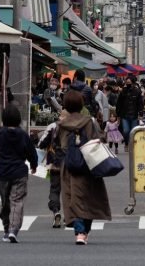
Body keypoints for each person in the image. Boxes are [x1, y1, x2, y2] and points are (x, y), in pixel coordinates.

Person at [54, 90, 112, 245]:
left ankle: (80, 231)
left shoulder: (61, 124)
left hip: (69, 164)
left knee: (74, 198)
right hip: (88, 163)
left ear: (65, 105)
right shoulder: (89, 121)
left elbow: (55, 143)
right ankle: (83, 231)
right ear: (81, 105)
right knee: (89, 198)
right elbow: (99, 138)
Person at [0, 104, 38, 243]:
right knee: (16, 201)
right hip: (19, 173)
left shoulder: (0, 133)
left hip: (2, 173)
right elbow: (31, 152)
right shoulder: (23, 135)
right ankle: (13, 230)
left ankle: (6, 230)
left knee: (5, 203)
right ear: (18, 119)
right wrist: (34, 165)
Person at [116, 76, 143, 147]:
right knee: (126, 131)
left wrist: (140, 113)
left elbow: (140, 103)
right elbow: (119, 103)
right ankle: (127, 142)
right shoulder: (123, 91)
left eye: (129, 83)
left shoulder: (137, 91)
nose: (128, 84)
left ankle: (131, 144)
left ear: (133, 83)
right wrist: (118, 114)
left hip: (134, 114)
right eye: (127, 82)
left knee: (133, 131)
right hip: (124, 115)